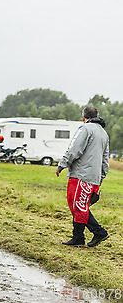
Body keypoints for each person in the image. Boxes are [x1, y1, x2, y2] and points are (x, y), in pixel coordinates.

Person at [56, 106, 110, 247]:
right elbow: (105, 159)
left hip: (80, 175)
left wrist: (62, 164)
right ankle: (82, 236)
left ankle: (95, 233)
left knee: (77, 206)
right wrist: (101, 177)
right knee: (82, 206)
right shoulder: (104, 133)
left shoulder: (85, 129)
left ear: (84, 117)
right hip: (94, 177)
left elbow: (75, 149)